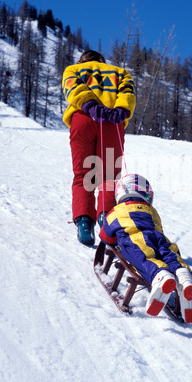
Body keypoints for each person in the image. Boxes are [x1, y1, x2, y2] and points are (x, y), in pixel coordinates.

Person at [99, 174, 192, 324]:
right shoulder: (152, 211)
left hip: (135, 239)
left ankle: (160, 275)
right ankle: (183, 274)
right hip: (158, 237)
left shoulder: (116, 212)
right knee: (168, 252)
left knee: (144, 256)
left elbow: (105, 237)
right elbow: (158, 227)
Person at [62, 50, 136, 247]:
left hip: (83, 119)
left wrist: (90, 104)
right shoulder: (120, 72)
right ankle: (107, 221)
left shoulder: (73, 69)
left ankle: (85, 224)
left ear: (82, 60)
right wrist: (120, 109)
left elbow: (73, 88)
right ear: (103, 61)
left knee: (83, 174)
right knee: (109, 176)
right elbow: (128, 93)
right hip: (112, 123)